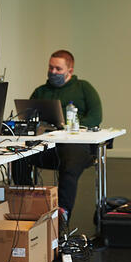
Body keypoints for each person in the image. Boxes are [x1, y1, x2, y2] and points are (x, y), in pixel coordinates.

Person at [29, 49, 102, 226]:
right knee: (19, 157)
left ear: (70, 70)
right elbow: (28, 116)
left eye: (58, 69)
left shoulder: (83, 88)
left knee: (70, 162)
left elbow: (95, 117)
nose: (53, 72)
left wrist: (70, 126)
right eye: (50, 67)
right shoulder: (41, 91)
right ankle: (26, 203)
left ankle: (62, 213)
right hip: (48, 144)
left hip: (76, 145)